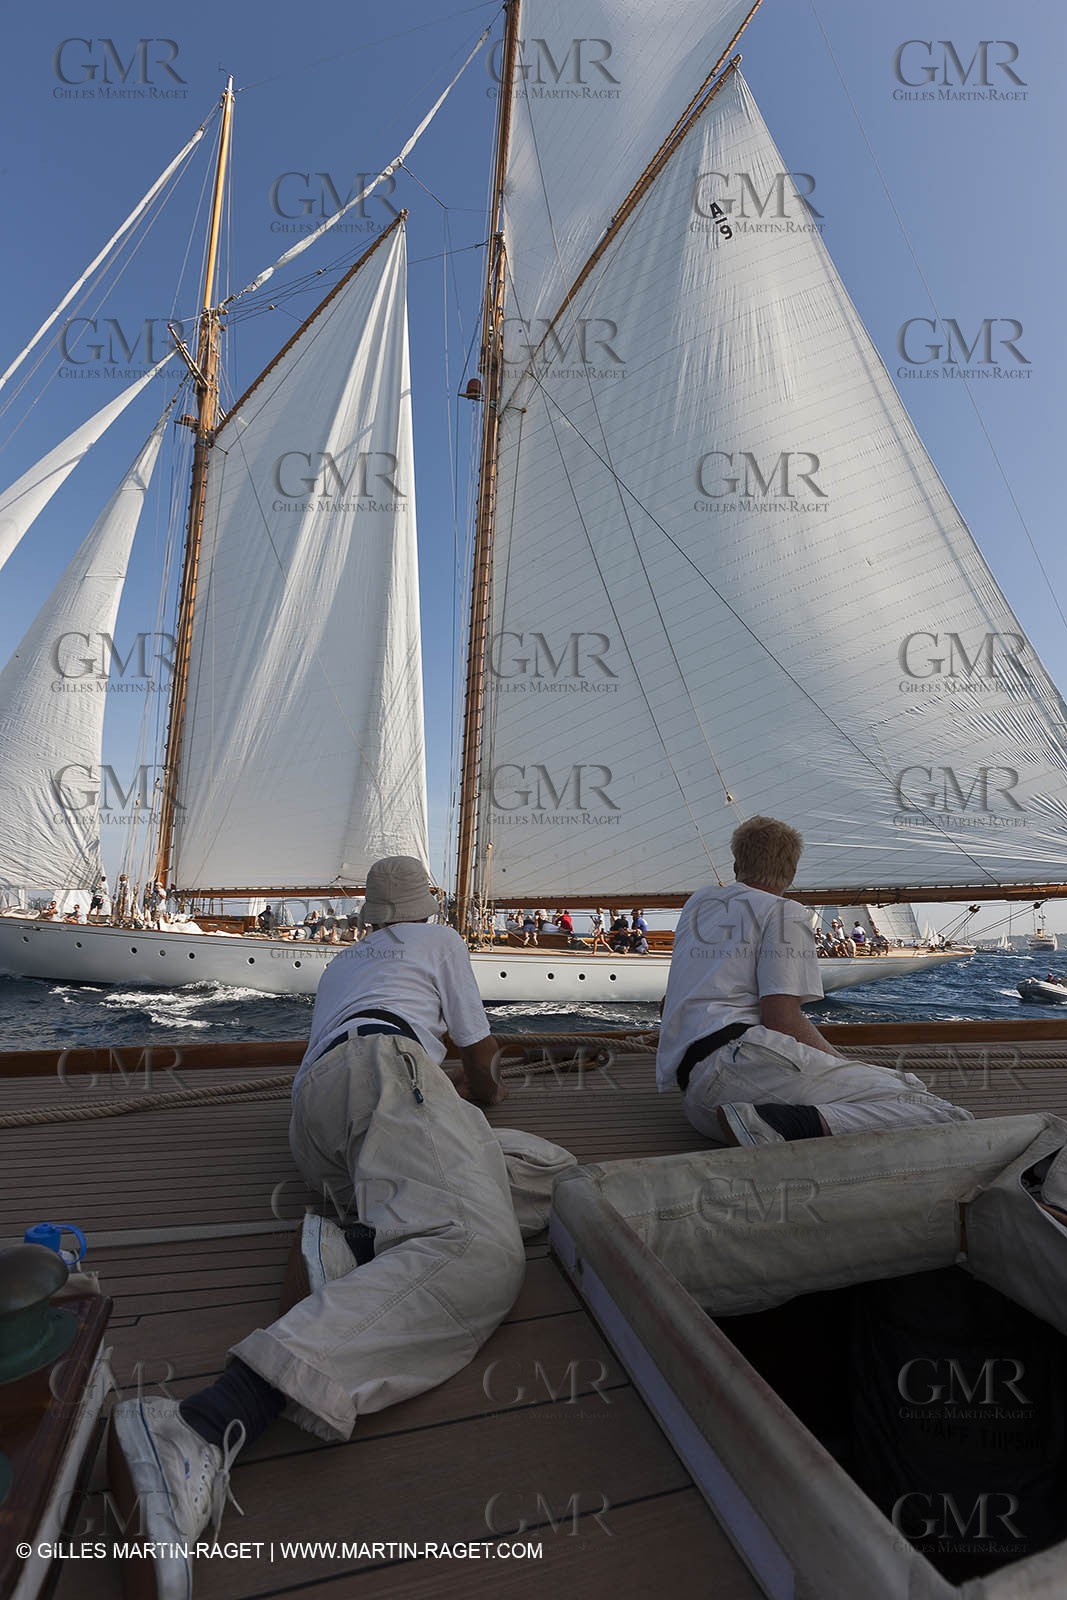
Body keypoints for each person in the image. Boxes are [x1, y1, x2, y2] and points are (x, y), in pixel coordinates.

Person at [109, 856, 561, 1595]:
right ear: (425, 905)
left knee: (548, 1177)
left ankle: (354, 1244)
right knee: (475, 1248)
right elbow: (479, 1056)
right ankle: (198, 1425)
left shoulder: (345, 962)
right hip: (386, 1073)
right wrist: (487, 1089)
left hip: (315, 1117)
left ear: (369, 912)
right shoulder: (439, 941)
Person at [656, 815, 973, 1147]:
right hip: (740, 1072)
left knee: (896, 1096)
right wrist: (840, 1062)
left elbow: (671, 1002)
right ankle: (786, 1124)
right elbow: (782, 1020)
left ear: (736, 866)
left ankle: (776, 1123)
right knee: (927, 1104)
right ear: (791, 872)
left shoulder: (699, 902)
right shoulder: (785, 912)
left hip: (698, 1100)